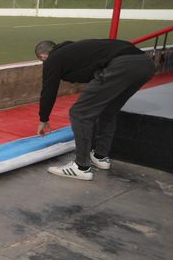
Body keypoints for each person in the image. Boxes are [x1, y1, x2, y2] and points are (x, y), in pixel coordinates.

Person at [35, 38, 154, 181]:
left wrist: (43, 119)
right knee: (108, 110)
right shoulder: (74, 50)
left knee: (79, 113)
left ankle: (81, 167)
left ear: (43, 56)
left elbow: (49, 90)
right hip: (145, 64)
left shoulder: (53, 59)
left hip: (121, 65)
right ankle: (100, 156)